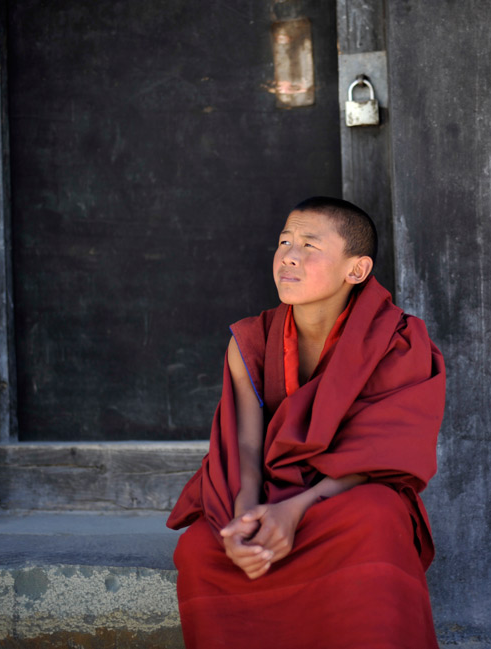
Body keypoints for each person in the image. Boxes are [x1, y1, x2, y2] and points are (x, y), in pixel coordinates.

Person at [167, 196, 446, 649]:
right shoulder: (250, 342)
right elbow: (248, 449)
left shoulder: (397, 341)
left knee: (376, 515)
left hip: (343, 498)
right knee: (202, 549)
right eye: (283, 242)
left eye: (309, 246)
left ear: (355, 271)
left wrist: (296, 510)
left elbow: (380, 456)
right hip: (273, 490)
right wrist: (246, 513)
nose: (289, 257)